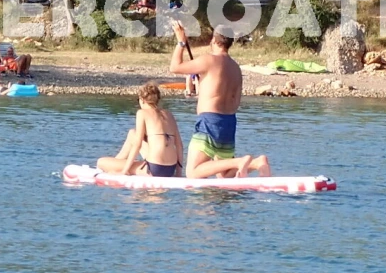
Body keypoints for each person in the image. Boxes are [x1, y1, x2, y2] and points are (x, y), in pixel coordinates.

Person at [169, 21, 269, 178]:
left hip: (210, 121)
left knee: (193, 173)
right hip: (229, 122)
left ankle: (239, 162)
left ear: (214, 40)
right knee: (223, 176)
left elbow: (175, 67)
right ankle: (256, 163)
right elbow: (235, 100)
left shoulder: (209, 60)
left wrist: (181, 42)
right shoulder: (235, 68)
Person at [98, 82, 184, 177]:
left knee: (101, 162)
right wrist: (178, 173)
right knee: (132, 133)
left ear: (142, 100)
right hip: (170, 169)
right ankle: (118, 161)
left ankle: (120, 166)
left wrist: (124, 172)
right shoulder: (169, 114)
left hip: (153, 169)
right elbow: (179, 145)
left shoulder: (142, 113)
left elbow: (137, 145)